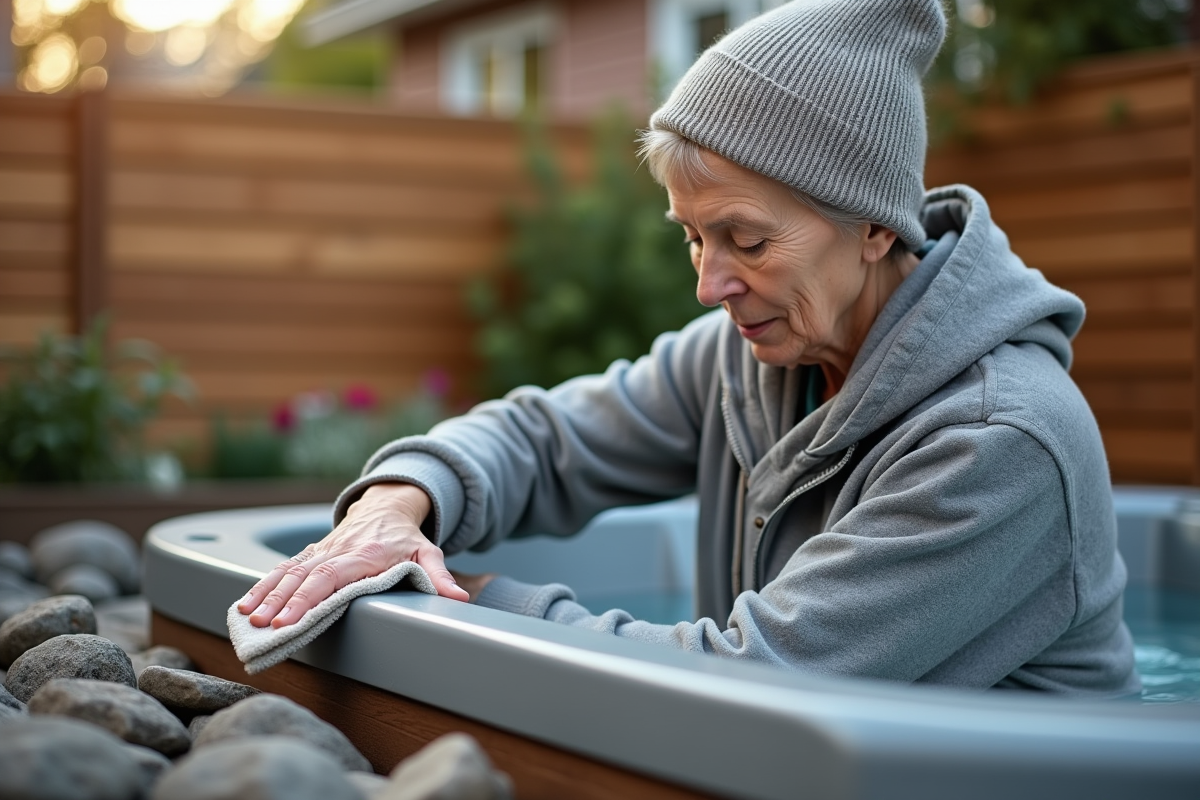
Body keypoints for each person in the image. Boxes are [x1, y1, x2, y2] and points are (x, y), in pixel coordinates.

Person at [237, 0, 1139, 695]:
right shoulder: (751, 354)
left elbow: (754, 678)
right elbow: (548, 440)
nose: (710, 285)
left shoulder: (1000, 442)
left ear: (872, 227)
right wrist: (400, 506)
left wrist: (445, 596)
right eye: (692, 237)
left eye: (747, 240)